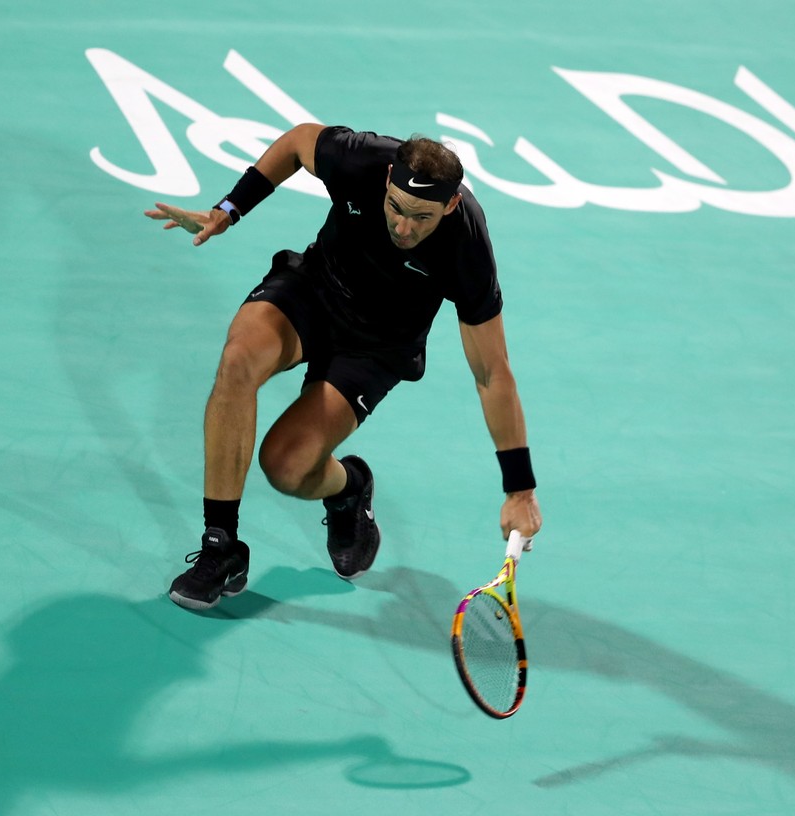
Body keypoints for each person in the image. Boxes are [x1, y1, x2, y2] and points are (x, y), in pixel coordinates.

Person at [144, 123, 542, 611]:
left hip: (378, 346)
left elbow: (491, 373)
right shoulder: (362, 160)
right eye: (396, 207)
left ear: (451, 205)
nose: (404, 227)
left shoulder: (467, 246)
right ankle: (220, 547)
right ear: (388, 178)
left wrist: (519, 487)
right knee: (238, 361)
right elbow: (295, 143)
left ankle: (349, 488)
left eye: (422, 217)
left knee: (286, 469)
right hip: (314, 290)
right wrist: (229, 209)